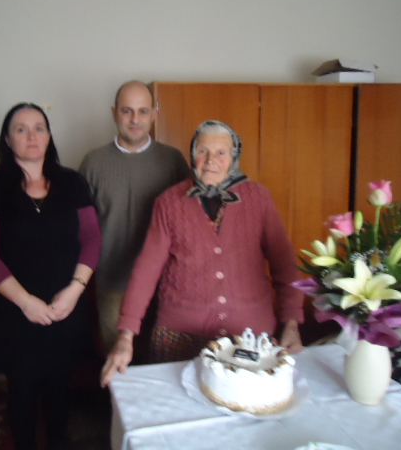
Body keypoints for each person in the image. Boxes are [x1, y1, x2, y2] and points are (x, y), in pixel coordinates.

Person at [101, 120, 304, 387]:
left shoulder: (258, 198)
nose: (211, 161)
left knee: (246, 404)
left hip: (249, 336)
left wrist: (291, 323)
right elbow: (146, 271)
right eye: (203, 151)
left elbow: (285, 266)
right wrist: (126, 336)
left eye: (221, 152)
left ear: (234, 157)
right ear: (192, 154)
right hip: (180, 336)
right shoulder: (169, 203)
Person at [0, 103, 102, 450]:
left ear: (49, 136)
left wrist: (75, 290)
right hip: (15, 309)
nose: (32, 136)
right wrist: (26, 302)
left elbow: (91, 238)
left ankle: (59, 441)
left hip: (64, 305)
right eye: (21, 129)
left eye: (39, 127)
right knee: (22, 388)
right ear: (7, 139)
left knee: (61, 384)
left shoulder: (72, 183)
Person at [79, 80, 190, 352]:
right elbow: (81, 229)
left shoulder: (173, 161)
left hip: (166, 284)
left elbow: (190, 221)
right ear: (114, 113)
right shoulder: (93, 163)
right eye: (127, 111)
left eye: (143, 111)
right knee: (118, 361)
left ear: (155, 114)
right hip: (113, 283)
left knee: (163, 359)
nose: (135, 120)